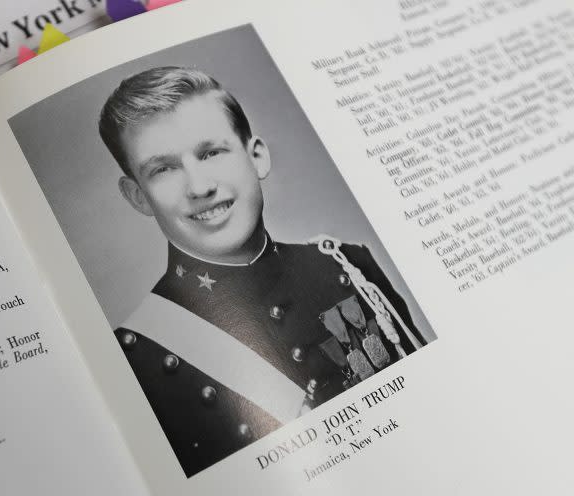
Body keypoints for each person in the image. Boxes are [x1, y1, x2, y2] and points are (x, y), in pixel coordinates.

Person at [98, 66, 427, 477]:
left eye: (211, 153)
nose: (199, 187)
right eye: (163, 169)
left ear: (257, 157)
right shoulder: (134, 356)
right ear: (137, 196)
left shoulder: (346, 265)